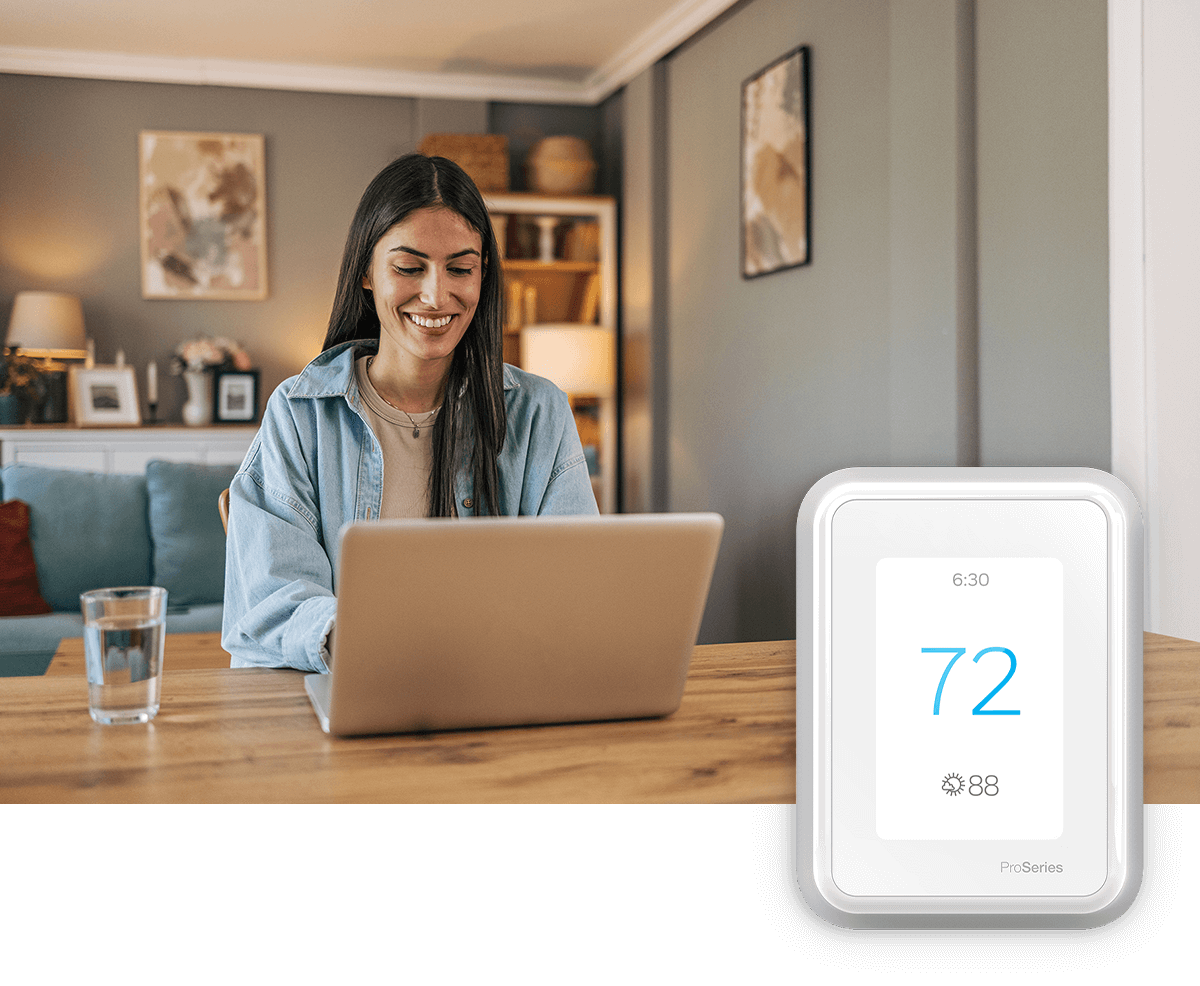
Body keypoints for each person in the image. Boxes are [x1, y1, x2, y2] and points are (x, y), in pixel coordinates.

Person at [222, 154, 598, 672]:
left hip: (497, 693)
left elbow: (573, 588)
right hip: (349, 689)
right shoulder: (299, 413)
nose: (436, 294)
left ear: (483, 277)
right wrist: (369, 647)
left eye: (461, 268)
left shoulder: (538, 413)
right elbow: (272, 601)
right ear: (366, 274)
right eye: (409, 267)